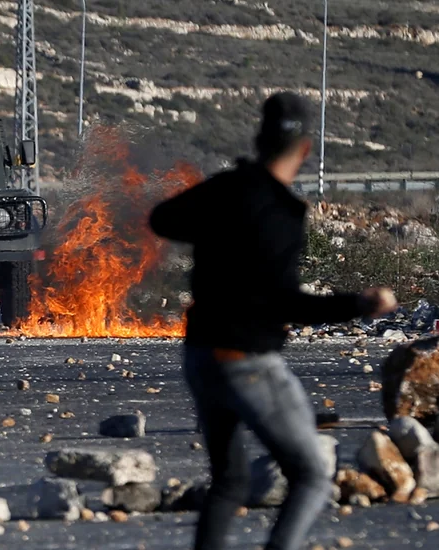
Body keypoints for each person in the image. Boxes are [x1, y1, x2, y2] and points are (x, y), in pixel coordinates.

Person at [148, 92, 397, 550]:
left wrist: (216, 228)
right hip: (247, 361)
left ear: (258, 139)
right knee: (312, 477)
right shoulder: (284, 213)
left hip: (201, 354)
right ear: (305, 150)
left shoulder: (226, 188)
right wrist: (359, 304)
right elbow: (287, 303)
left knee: (229, 482)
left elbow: (163, 218)